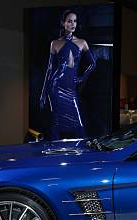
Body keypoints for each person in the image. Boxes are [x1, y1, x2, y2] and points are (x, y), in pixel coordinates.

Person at [39, 9, 96, 140]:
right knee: (55, 122)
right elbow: (49, 69)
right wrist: (43, 94)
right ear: (63, 23)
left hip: (71, 89)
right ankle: (54, 153)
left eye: (75, 21)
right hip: (56, 87)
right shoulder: (55, 43)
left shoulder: (82, 42)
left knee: (79, 127)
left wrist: (81, 78)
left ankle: (83, 156)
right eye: (69, 21)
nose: (73, 24)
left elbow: (93, 64)